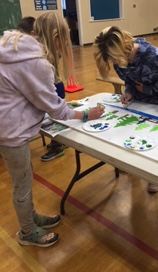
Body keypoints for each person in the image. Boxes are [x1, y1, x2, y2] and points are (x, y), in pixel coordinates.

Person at [0, 16, 104, 247]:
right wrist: (86, 115)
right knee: (22, 183)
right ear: (56, 38)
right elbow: (57, 110)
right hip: (10, 131)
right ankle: (27, 232)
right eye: (64, 41)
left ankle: (30, 218)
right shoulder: (35, 63)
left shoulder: (13, 45)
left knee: (24, 178)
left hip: (7, 125)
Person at [93, 26, 158, 193]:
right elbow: (129, 80)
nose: (114, 63)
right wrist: (129, 93)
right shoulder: (119, 60)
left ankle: (153, 175)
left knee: (153, 138)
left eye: (114, 59)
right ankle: (134, 166)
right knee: (133, 134)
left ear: (123, 51)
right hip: (137, 103)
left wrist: (147, 90)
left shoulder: (155, 56)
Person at [33, 12, 76, 162]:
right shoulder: (38, 57)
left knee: (57, 113)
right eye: (63, 38)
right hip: (50, 84)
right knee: (54, 113)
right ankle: (58, 142)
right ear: (55, 36)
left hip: (55, 83)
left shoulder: (51, 53)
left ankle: (58, 144)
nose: (65, 43)